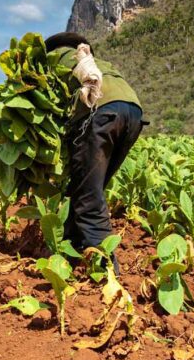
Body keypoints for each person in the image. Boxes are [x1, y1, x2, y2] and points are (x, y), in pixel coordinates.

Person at [45, 32, 146, 272]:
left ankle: (104, 267)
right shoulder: (97, 61)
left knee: (88, 195)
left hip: (99, 113)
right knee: (90, 186)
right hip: (132, 112)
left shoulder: (53, 60)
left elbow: (46, 111)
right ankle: (72, 245)